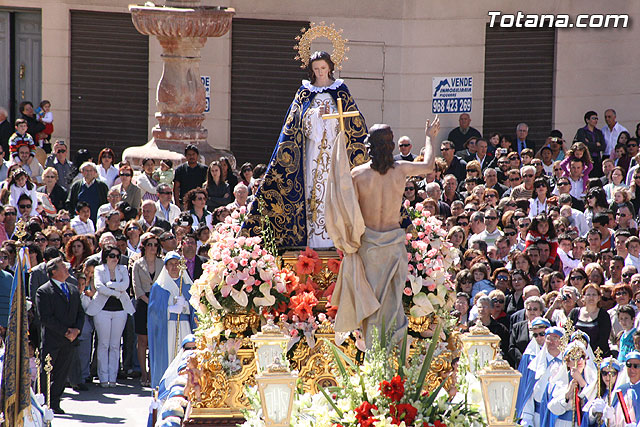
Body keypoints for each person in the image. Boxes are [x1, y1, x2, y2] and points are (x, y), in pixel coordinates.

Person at [330, 116, 439, 346]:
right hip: (390, 246)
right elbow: (429, 165)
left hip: (371, 248)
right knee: (391, 304)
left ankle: (378, 357)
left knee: (375, 307)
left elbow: (349, 213)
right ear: (391, 147)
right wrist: (429, 138)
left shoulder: (357, 175)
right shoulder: (400, 170)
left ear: (369, 147)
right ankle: (384, 358)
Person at [243, 50, 368, 248]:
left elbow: (354, 121)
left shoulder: (341, 90)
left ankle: (335, 237)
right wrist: (317, 115)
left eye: (323, 68)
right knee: (313, 191)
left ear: (330, 68)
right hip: (312, 151)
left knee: (333, 190)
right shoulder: (305, 92)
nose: (320, 72)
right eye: (316, 69)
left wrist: (334, 117)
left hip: (335, 152)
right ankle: (314, 239)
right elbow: (296, 122)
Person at [35, 257, 84, 414]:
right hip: (53, 339)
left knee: (62, 372)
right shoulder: (44, 291)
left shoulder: (73, 289)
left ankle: (55, 402)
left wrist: (76, 330)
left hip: (70, 340)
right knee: (46, 372)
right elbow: (46, 317)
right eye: (63, 266)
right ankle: (42, 401)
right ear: (53, 271)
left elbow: (80, 313)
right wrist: (65, 331)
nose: (66, 268)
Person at [86, 245, 134, 387]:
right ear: (106, 257)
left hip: (120, 310)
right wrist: (115, 292)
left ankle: (112, 377)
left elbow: (125, 285)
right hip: (102, 310)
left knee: (115, 345)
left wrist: (110, 285)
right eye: (112, 256)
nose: (115, 259)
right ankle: (103, 377)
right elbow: (99, 287)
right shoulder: (99, 269)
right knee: (103, 344)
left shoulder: (123, 269)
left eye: (117, 256)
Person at [148, 251, 197, 388]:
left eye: (177, 264)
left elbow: (197, 309)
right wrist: (169, 310)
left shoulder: (187, 286)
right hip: (168, 328)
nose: (174, 267)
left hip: (185, 327)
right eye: (171, 264)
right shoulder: (159, 287)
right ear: (166, 266)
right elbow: (153, 312)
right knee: (169, 356)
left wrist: (186, 306)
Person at [132, 233, 163, 387]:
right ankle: (144, 373)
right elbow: (137, 288)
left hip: (159, 303)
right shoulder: (137, 264)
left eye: (155, 245)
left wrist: (157, 302)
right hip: (143, 303)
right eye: (149, 244)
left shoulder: (162, 263)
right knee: (142, 340)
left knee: (155, 340)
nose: (152, 248)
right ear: (144, 247)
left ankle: (153, 373)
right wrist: (149, 301)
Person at [568, 284, 612, 356]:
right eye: (588, 294)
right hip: (576, 355)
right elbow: (567, 333)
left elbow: (603, 340)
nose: (591, 297)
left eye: (594, 295)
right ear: (583, 297)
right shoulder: (574, 313)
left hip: (597, 356)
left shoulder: (603, 315)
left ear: (598, 298)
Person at [173, 144, 208, 209]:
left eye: (193, 154)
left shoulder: (204, 169)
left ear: (197, 155)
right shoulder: (180, 169)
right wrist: (177, 204)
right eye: (189, 155)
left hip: (200, 203)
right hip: (184, 204)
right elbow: (176, 188)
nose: (191, 156)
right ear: (186, 156)